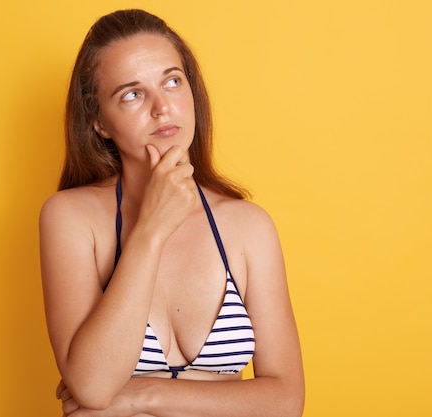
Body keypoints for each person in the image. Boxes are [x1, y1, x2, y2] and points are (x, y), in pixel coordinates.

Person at [40, 9, 304, 417]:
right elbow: (92, 385)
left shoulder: (248, 226)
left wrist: (143, 394)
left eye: (172, 81)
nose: (162, 107)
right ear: (99, 123)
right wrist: (152, 228)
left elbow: (286, 401)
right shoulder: (71, 219)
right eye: (132, 93)